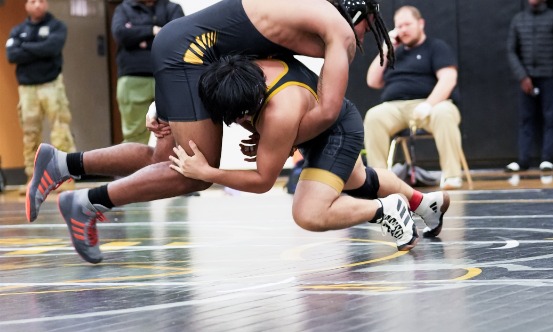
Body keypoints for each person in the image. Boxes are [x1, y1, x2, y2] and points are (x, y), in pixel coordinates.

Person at [24, 0, 395, 262]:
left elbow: (233, 42)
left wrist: (168, 101)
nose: (365, 37)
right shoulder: (339, 32)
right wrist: (276, 141)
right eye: (370, 26)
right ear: (358, 14)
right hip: (190, 58)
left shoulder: (304, 12)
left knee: (161, 161)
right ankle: (86, 204)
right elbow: (328, 110)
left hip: (185, 50)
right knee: (193, 171)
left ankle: (63, 163)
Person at [168, 55, 450, 255]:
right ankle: (424, 203)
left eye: (243, 117)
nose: (243, 123)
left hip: (335, 131)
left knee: (309, 213)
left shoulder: (278, 115)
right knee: (357, 181)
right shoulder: (253, 65)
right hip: (330, 119)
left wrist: (207, 173)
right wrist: (161, 110)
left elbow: (263, 181)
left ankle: (386, 209)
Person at [363, 5, 466, 190]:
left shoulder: (436, 47)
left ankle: (452, 176)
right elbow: (372, 81)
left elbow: (448, 79)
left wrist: (429, 104)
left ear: (420, 23)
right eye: (399, 26)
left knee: (444, 113)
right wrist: (386, 49)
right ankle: (379, 180)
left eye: (407, 24)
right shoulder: (394, 53)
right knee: (374, 116)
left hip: (430, 105)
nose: (403, 30)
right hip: (395, 108)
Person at [5, 0, 76, 195]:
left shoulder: (57, 26)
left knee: (61, 130)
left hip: (52, 84)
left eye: (41, 1)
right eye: (33, 1)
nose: (37, 5)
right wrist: (39, 48)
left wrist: (25, 47)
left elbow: (52, 48)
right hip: (27, 88)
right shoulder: (17, 30)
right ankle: (32, 178)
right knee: (30, 134)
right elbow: (12, 55)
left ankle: (65, 177)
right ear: (26, 5)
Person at [504, 0, 553, 174]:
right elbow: (511, 50)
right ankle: (523, 160)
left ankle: (547, 158)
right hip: (526, 77)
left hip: (549, 76)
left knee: (551, 117)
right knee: (525, 119)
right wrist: (522, 76)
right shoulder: (519, 19)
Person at [111, 0, 184, 144]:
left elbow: (178, 37)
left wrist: (139, 38)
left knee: (172, 135)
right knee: (134, 138)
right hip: (133, 77)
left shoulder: (172, 8)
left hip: (168, 77)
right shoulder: (123, 8)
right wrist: (153, 30)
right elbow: (121, 34)